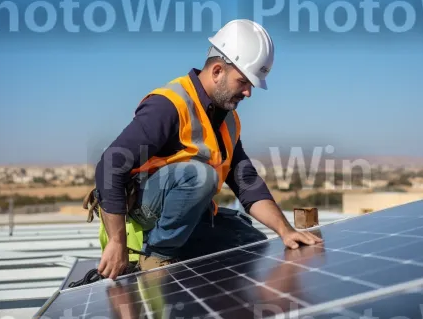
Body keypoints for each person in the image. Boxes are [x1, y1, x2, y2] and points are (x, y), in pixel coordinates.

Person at [90, 19, 323, 279]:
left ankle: (175, 247)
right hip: (141, 215)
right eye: (243, 82)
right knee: (201, 176)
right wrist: (117, 242)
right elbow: (110, 165)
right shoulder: (169, 105)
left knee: (248, 240)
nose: (248, 93)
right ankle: (155, 255)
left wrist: (285, 230)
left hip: (185, 216)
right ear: (217, 71)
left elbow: (246, 183)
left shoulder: (228, 121)